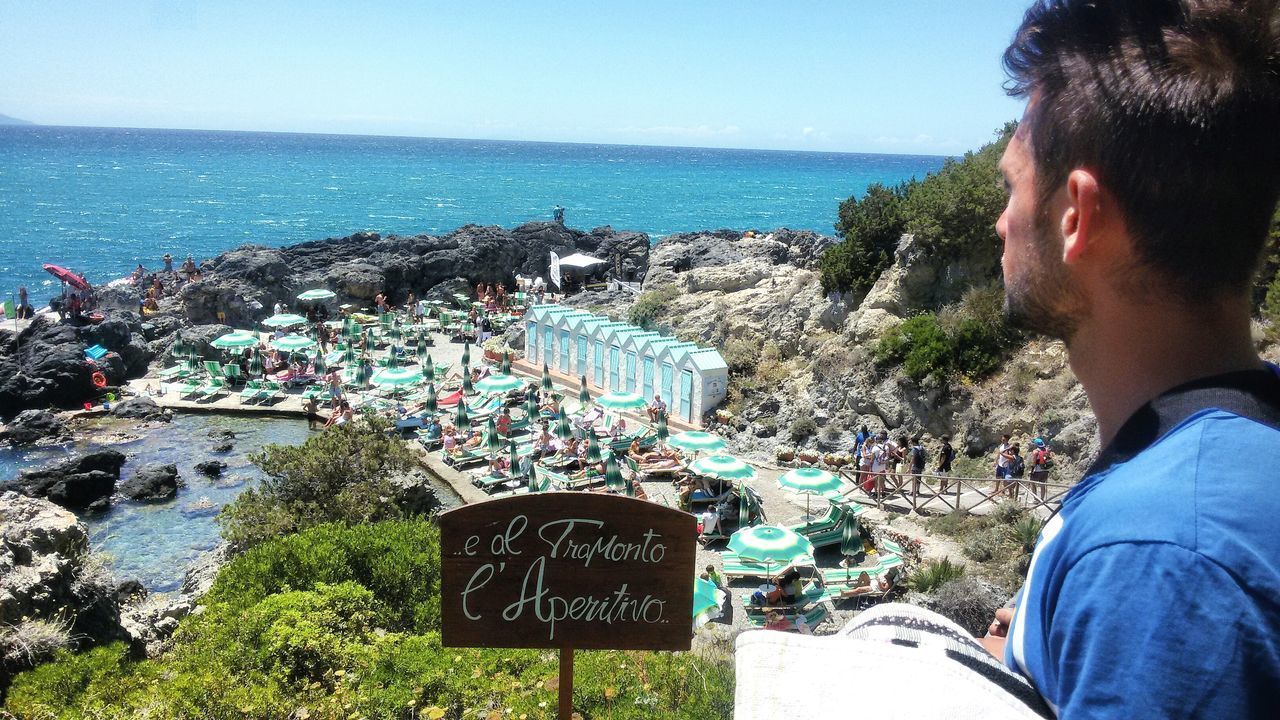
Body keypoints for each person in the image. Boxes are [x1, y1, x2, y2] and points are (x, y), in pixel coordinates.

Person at [976, 3, 1280, 717]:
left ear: (1076, 216)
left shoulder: (1163, 560)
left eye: (1011, 186)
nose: (1001, 220)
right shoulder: (1227, 465)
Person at [992, 433, 1013, 498]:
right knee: (998, 477)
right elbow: (999, 454)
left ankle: (1003, 491)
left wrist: (1007, 462)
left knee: (1004, 479)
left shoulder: (1009, 447)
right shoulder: (1001, 446)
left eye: (1003, 439)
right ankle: (996, 489)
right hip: (1000, 464)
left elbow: (1010, 456)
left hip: (1005, 465)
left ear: (1006, 439)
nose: (1002, 440)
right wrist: (996, 461)